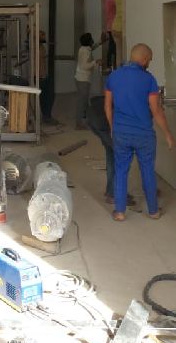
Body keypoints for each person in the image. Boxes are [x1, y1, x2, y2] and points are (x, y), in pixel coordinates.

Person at [104, 43, 175, 222]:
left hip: (121, 133)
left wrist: (113, 127)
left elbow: (107, 106)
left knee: (121, 170)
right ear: (143, 59)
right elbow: (156, 111)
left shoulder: (114, 76)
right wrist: (168, 134)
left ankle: (120, 212)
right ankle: (154, 211)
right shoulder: (149, 79)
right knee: (148, 170)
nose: (149, 63)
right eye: (149, 60)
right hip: (144, 135)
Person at [87, 96, 135, 206]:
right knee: (121, 158)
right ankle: (114, 195)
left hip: (96, 114)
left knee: (111, 154)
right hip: (103, 120)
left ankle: (111, 191)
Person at [75, 32, 102, 128]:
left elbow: (92, 48)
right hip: (83, 79)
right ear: (89, 41)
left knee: (84, 101)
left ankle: (84, 121)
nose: (92, 40)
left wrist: (100, 42)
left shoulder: (84, 48)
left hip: (82, 78)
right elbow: (84, 66)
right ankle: (79, 123)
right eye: (91, 39)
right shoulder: (85, 51)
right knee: (82, 102)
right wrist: (96, 61)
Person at [99, 0, 116, 69]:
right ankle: (110, 64)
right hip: (112, 26)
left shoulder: (108, 0)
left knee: (112, 45)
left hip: (111, 26)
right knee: (113, 46)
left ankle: (110, 64)